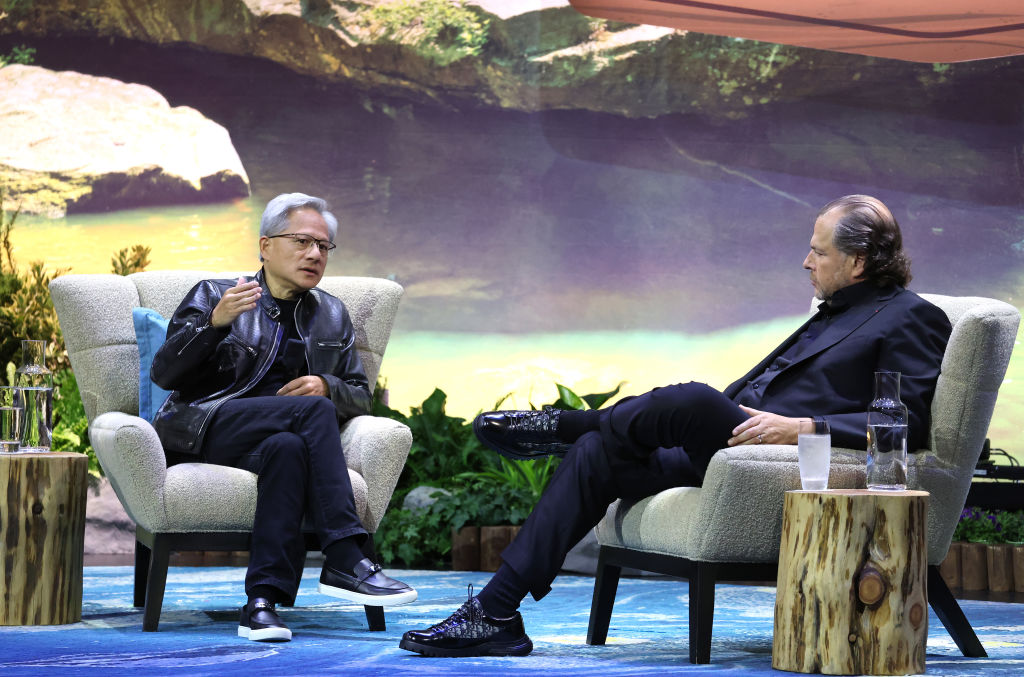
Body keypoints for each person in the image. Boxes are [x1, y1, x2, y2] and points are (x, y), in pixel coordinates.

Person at [399, 194, 952, 657]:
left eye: (817, 250)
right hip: (732, 454)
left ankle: (559, 425)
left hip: (780, 458)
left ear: (857, 261)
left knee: (693, 399)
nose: (806, 261)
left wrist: (806, 426)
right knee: (596, 453)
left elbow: (909, 420)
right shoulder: (834, 308)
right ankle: (495, 614)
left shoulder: (913, 316)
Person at [151, 193, 416, 643]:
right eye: (301, 241)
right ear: (265, 245)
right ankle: (345, 557)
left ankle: (260, 603)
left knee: (290, 448)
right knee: (312, 412)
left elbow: (359, 394)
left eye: (324, 246)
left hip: (273, 439)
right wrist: (214, 324)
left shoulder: (332, 314)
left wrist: (327, 387)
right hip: (207, 426)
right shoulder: (217, 295)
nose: (314, 254)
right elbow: (164, 373)